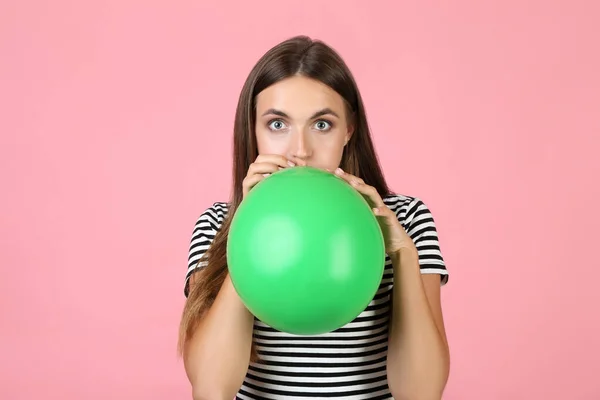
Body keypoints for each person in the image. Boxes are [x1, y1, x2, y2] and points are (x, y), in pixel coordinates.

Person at [178, 35, 450, 400]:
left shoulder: (407, 219)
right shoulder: (217, 225)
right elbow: (211, 390)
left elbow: (422, 393)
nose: (301, 150)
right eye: (278, 125)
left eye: (322, 125)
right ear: (253, 130)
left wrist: (403, 254)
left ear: (348, 131)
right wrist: (247, 232)